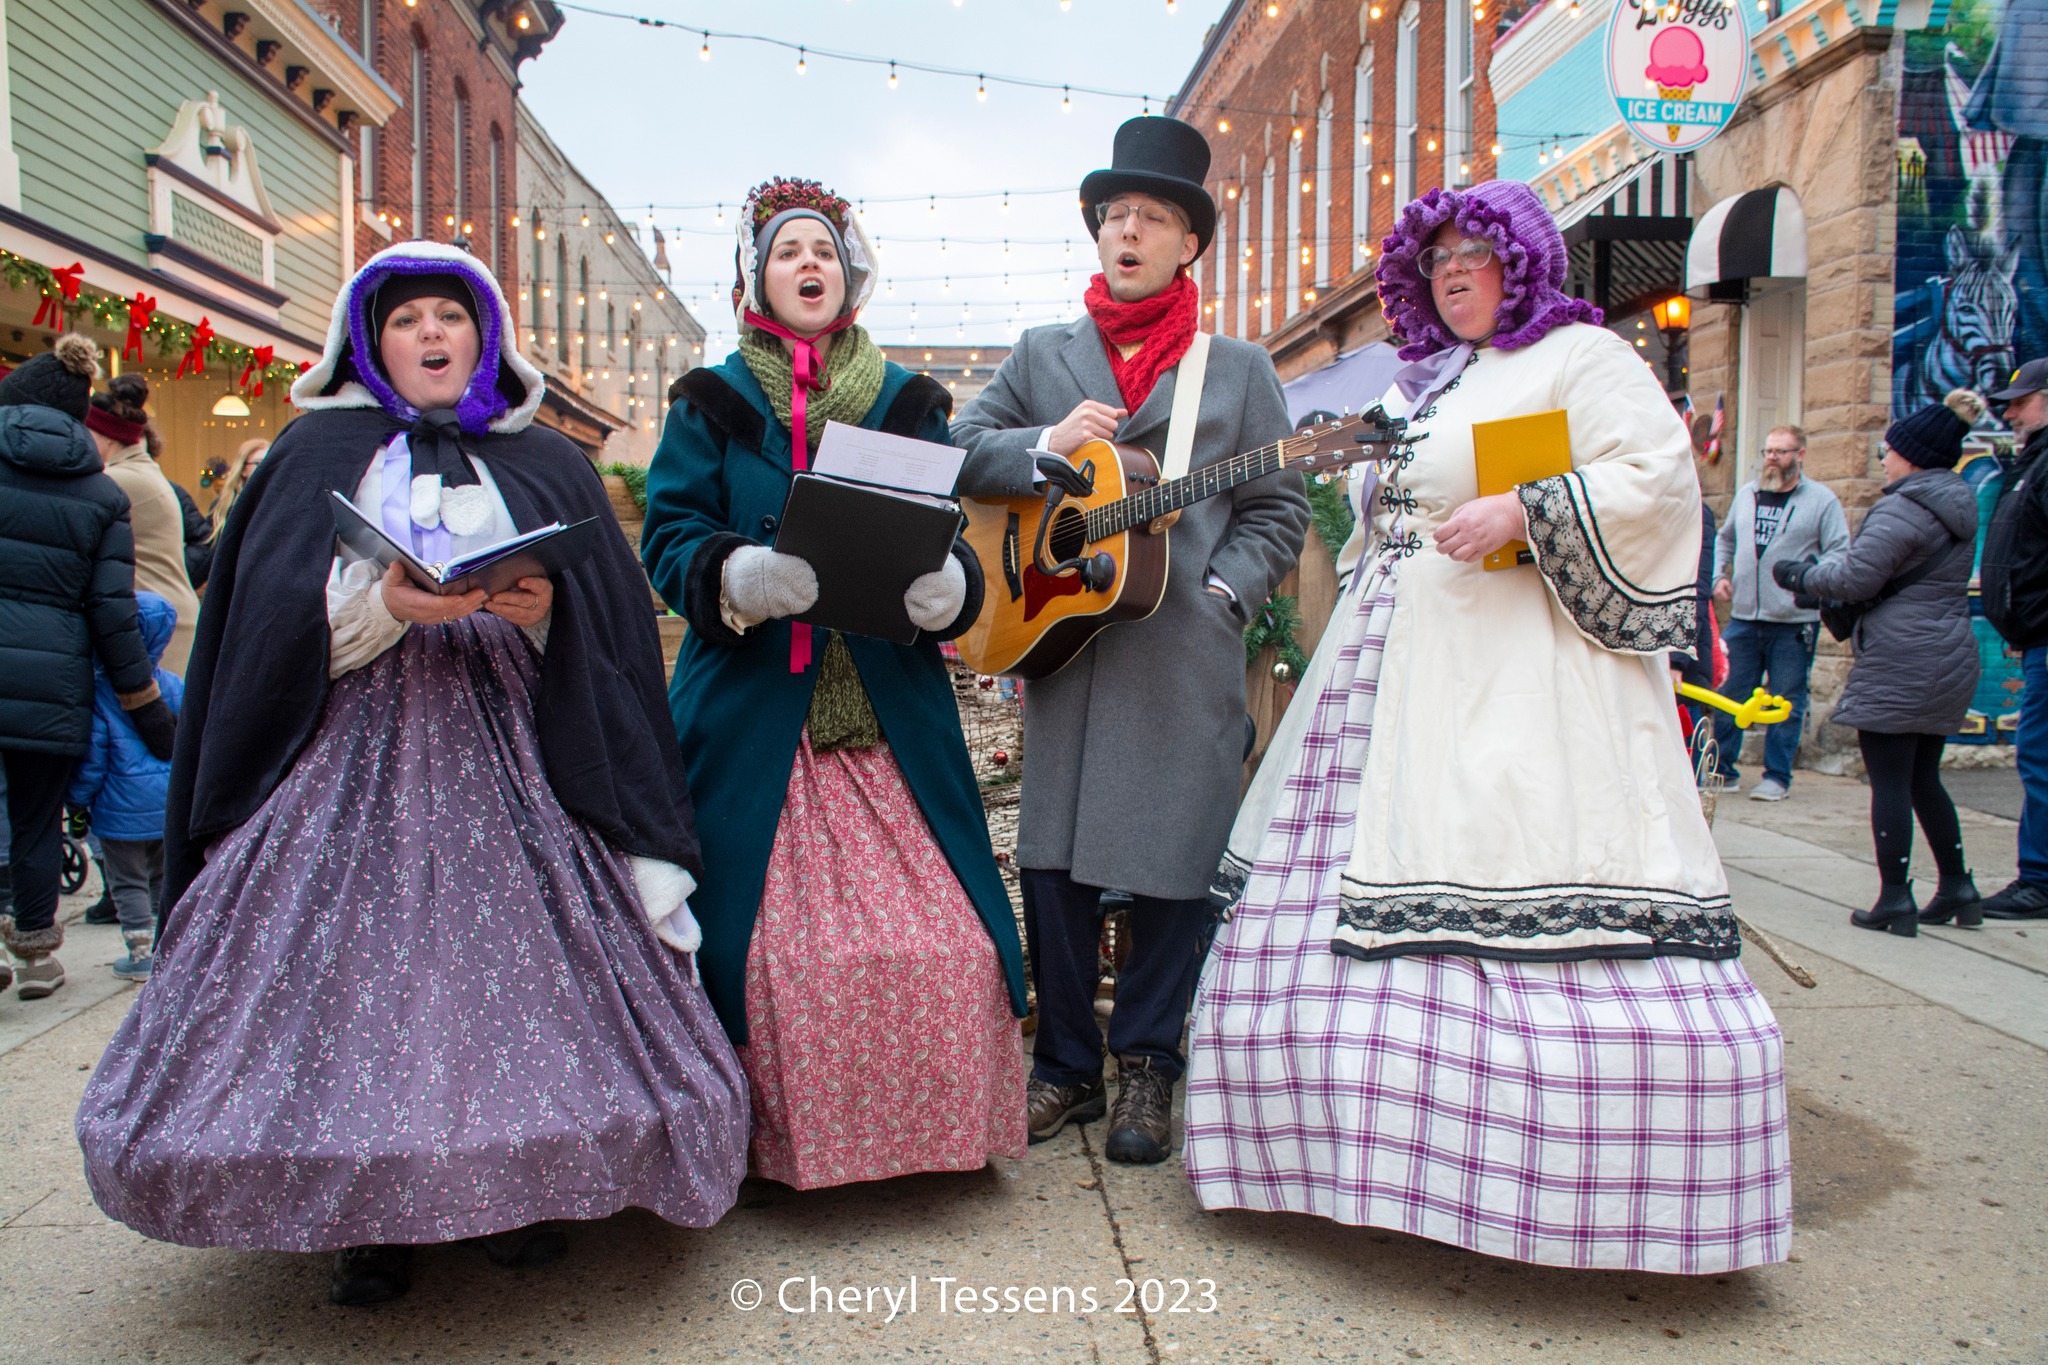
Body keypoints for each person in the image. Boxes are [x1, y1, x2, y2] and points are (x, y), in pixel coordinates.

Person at [75, 241, 749, 1307]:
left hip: (519, 751)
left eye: (451, 316)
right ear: (368, 340)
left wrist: (543, 614)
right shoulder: (310, 458)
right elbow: (262, 634)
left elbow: (609, 636)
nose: (431, 335)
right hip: (344, 752)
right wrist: (384, 607)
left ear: (485, 339)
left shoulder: (549, 461)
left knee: (514, 975)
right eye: (406, 320)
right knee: (350, 981)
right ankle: (366, 1218)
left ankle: (520, 1188)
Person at [1183, 180, 1791, 1274]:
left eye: (1474, 252)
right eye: (1436, 260)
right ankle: (1355, 1163)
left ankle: (1548, 1185)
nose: (1451, 272)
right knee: (1343, 896)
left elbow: (1657, 480)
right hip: (1390, 673)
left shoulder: (1584, 356)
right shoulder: (1440, 382)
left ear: (1522, 259)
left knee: (1510, 868)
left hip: (1524, 679)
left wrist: (1525, 508)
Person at [642, 178, 1025, 1190]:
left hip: (883, 710)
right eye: (783, 253)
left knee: (948, 948)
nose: (805, 264)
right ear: (753, 280)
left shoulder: (909, 404)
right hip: (754, 714)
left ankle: (926, 1139)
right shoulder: (710, 403)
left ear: (847, 274)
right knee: (766, 962)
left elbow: (948, 534)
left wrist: (951, 586)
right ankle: (769, 1148)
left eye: (821, 250)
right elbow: (668, 535)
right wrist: (740, 572)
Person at [951, 116, 1308, 1165]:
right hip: (1063, 642)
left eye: (1151, 217)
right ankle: (1063, 1064)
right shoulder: (1041, 355)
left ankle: (1147, 1062)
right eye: (1114, 215)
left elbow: (1276, 509)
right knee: (1052, 864)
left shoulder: (1234, 370)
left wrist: (1219, 593)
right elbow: (959, 450)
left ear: (1188, 242)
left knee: (1173, 863)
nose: (1128, 231)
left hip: (1181, 651)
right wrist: (1041, 445)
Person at [0, 336, 175, 1000]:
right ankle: (38, 956)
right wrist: (143, 700)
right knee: (39, 818)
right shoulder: (102, 497)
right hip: (53, 687)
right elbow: (112, 612)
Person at [1774, 391, 1982, 934]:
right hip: (1948, 652)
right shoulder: (1958, 503)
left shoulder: (1906, 506)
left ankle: (1895, 898)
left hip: (1902, 657)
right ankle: (1958, 886)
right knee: (1922, 778)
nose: (1883, 458)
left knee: (1890, 780)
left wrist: (1799, 576)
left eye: (1888, 450)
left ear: (1912, 455)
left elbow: (1855, 578)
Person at [1711, 424, 1849, 799]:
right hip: (1742, 617)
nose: (1772, 458)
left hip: (1792, 622)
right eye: (1768, 451)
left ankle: (1777, 777)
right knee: (1729, 694)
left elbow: (1839, 552)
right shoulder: (1747, 494)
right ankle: (1722, 770)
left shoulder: (1822, 501)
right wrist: (1716, 576)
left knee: (1787, 699)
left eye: (1781, 452)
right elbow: (1724, 539)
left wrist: (1807, 581)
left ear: (1800, 455)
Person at [66, 590, 183, 979]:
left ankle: (139, 954)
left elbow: (93, 760)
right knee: (162, 877)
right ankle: (170, 945)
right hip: (166, 806)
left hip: (119, 814)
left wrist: (78, 799)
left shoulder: (101, 694)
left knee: (127, 882)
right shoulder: (173, 685)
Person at [1976, 357, 2048, 918]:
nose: (2011, 410)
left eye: (2022, 400)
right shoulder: (2033, 462)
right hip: (2035, 638)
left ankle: (2040, 878)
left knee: (2040, 758)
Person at [84, 375, 200, 673]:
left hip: (158, 625)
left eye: (87, 431)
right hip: (166, 617)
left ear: (107, 436)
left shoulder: (119, 480)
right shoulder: (139, 470)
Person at [207, 438, 268, 541]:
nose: (265, 468)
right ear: (243, 470)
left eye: (269, 463)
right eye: (258, 463)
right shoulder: (225, 505)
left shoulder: (281, 501)